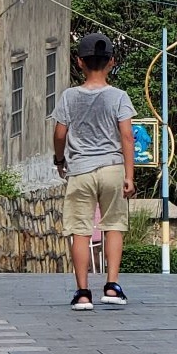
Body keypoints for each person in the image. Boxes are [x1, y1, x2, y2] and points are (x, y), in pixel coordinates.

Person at [53, 31, 136, 310]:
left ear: (80, 62)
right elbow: (127, 136)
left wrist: (59, 159)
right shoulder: (119, 97)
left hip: (80, 170)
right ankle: (112, 286)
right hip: (112, 169)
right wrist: (129, 176)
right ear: (111, 62)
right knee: (114, 225)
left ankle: (83, 293)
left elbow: (60, 133)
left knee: (80, 230)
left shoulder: (69, 97)